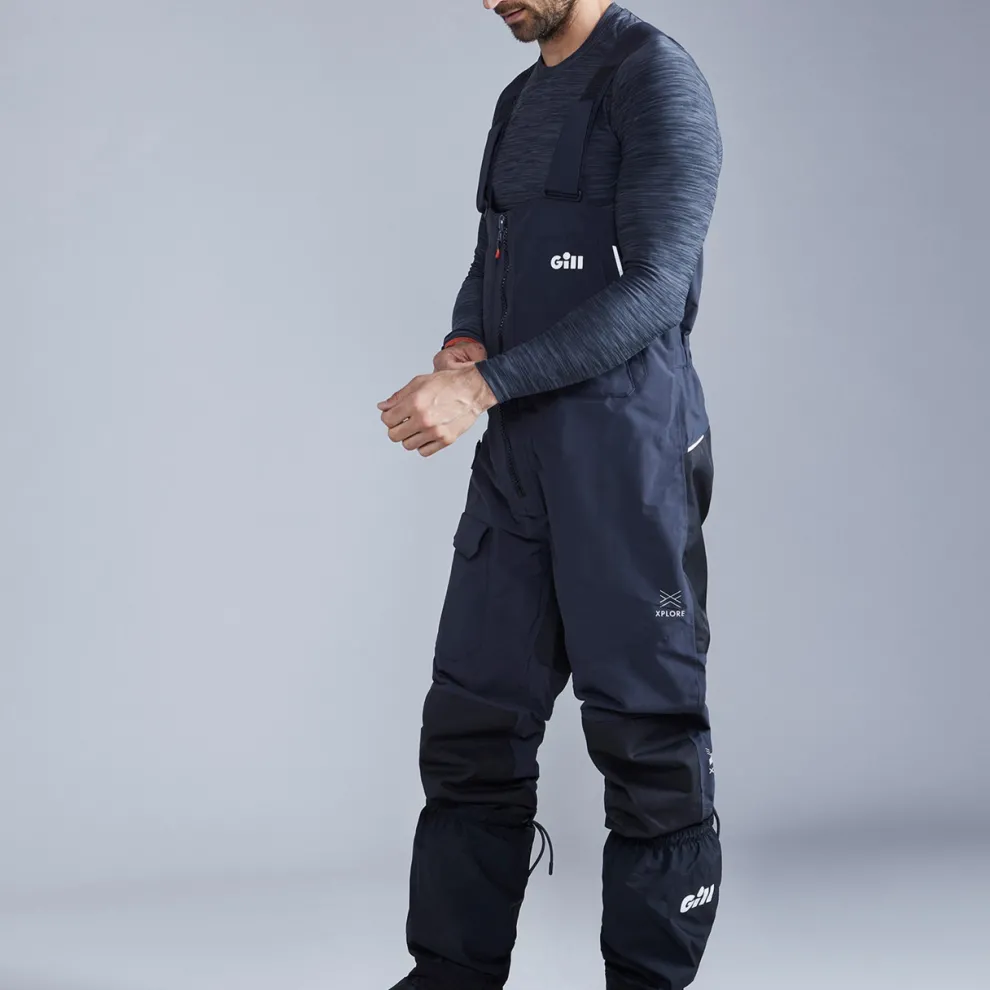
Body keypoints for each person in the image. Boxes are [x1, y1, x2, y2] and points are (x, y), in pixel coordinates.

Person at [377, 2, 723, 987]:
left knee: (648, 738)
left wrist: (481, 388)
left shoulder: (654, 79)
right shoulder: (520, 98)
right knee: (472, 727)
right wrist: (466, 341)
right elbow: (495, 253)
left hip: (626, 459)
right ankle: (450, 976)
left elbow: (654, 290)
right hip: (520, 455)